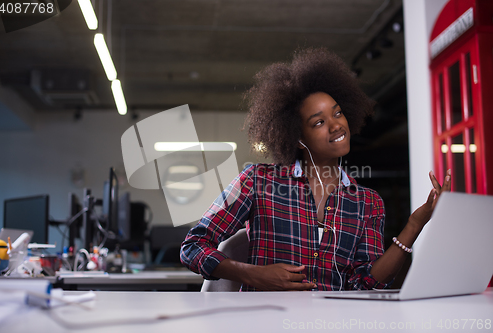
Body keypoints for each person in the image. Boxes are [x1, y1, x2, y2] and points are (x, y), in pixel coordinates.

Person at [180, 47, 451, 291]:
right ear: (298, 138)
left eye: (337, 113)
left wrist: (415, 224)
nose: (336, 126)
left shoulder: (367, 202)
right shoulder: (257, 181)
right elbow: (192, 247)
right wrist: (253, 275)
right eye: (318, 122)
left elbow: (367, 282)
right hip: (265, 320)